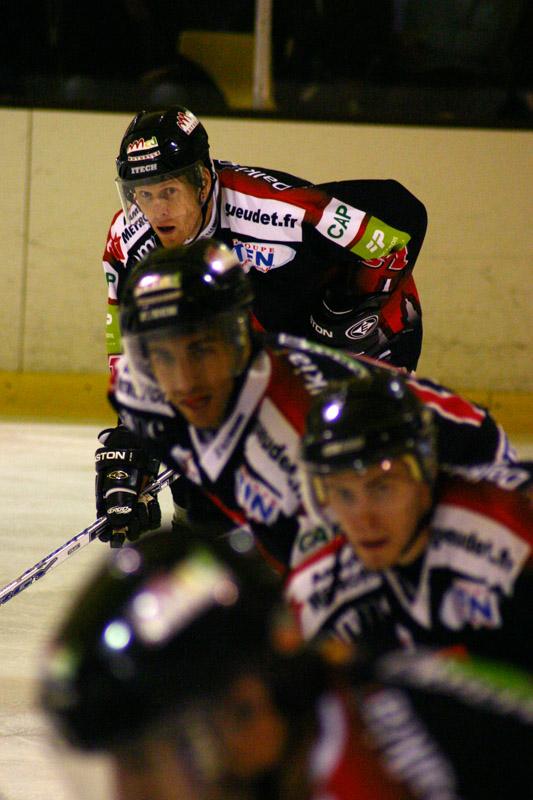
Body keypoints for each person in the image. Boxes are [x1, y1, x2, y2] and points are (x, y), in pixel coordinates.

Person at [95, 238, 516, 568]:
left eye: (201, 350)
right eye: (161, 355)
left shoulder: (301, 422)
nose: (183, 380)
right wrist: (131, 462)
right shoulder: (154, 386)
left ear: (239, 337)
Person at [38, 526, 533, 800]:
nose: (128, 795)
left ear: (248, 709)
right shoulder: (306, 738)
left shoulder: (451, 754)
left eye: (144, 761)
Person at [103, 104, 428, 375]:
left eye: (169, 191)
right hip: (276, 344)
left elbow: (402, 214)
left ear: (202, 183)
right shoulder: (128, 239)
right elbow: (125, 331)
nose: (157, 212)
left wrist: (348, 307)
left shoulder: (274, 211)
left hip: (375, 337)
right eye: (144, 194)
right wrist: (129, 425)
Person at [287, 370, 533, 670]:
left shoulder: (507, 536)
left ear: (426, 476)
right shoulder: (318, 593)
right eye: (344, 494)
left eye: (383, 488)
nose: (364, 519)